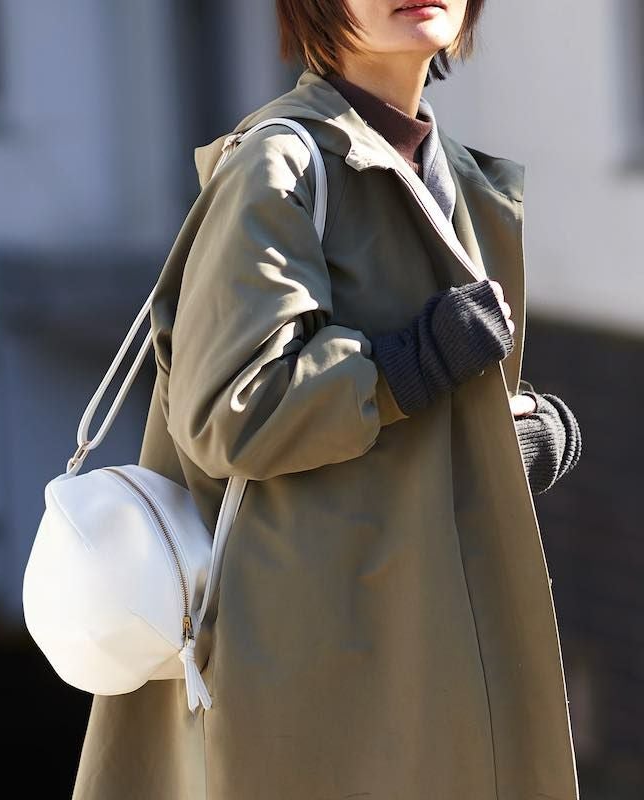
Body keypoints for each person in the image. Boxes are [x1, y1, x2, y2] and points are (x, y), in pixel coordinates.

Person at [71, 1, 583, 798]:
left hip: (426, 646)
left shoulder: (456, 175)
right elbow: (232, 411)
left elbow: (408, 413)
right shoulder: (279, 165)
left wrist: (498, 441)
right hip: (315, 676)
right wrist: (411, 363)